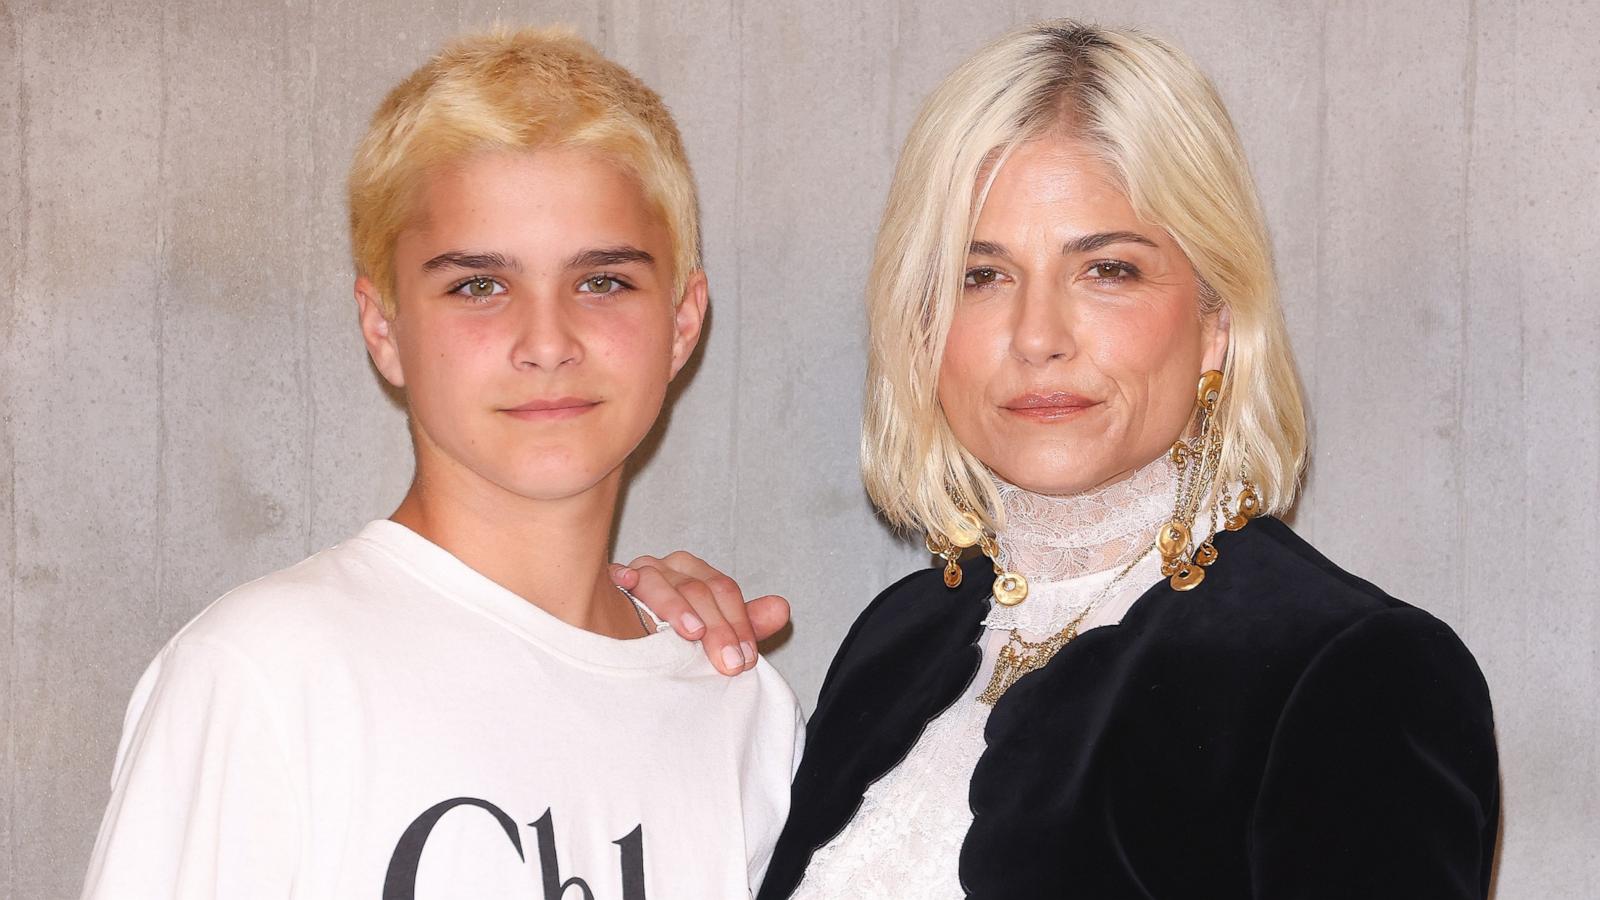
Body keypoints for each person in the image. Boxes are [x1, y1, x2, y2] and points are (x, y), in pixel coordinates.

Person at [625, 20, 1500, 899]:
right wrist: (633, 654)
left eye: (1107, 269)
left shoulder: (1354, 673)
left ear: (1216, 320)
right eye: (981, 276)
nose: (1038, 337)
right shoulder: (897, 641)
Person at [81, 28, 801, 899]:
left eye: (602, 280)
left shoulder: (739, 711)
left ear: (683, 322)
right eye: (479, 286)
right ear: (384, 329)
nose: (547, 343)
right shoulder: (262, 678)